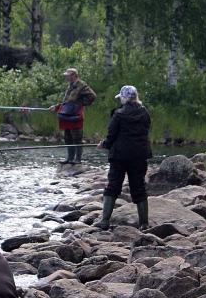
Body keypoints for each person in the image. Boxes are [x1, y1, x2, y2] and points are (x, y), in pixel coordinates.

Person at [94, 85, 152, 230]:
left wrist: (104, 145)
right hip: (139, 156)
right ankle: (144, 224)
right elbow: (144, 131)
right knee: (139, 187)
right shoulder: (144, 113)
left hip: (119, 156)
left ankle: (105, 221)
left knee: (113, 186)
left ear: (125, 98)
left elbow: (111, 136)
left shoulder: (118, 114)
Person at [48, 67, 96, 165]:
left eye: (68, 75)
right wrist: (56, 107)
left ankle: (77, 159)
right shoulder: (70, 86)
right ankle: (70, 158)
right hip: (67, 115)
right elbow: (66, 102)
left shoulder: (82, 85)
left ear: (74, 75)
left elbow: (92, 96)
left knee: (77, 138)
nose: (66, 77)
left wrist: (80, 104)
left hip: (76, 116)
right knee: (68, 137)